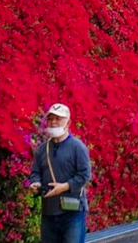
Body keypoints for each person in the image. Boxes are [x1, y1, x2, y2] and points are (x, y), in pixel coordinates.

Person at [28, 103, 92, 243]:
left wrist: (64, 187)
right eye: (51, 118)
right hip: (49, 212)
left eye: (58, 118)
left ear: (68, 122)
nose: (53, 122)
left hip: (73, 211)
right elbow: (35, 172)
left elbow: (85, 175)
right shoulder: (41, 150)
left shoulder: (78, 147)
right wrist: (35, 184)